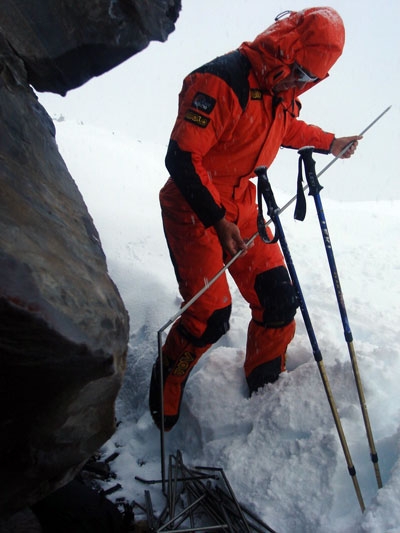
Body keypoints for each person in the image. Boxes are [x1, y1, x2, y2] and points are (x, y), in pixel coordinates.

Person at [149, 7, 362, 431]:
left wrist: (328, 143)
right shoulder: (220, 82)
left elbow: (285, 129)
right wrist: (215, 219)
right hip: (195, 209)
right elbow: (180, 156)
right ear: (286, 49)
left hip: (242, 206)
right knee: (209, 317)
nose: (299, 83)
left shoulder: (279, 91)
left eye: (308, 80)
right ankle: (165, 384)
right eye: (299, 72)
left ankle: (265, 387)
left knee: (279, 297)